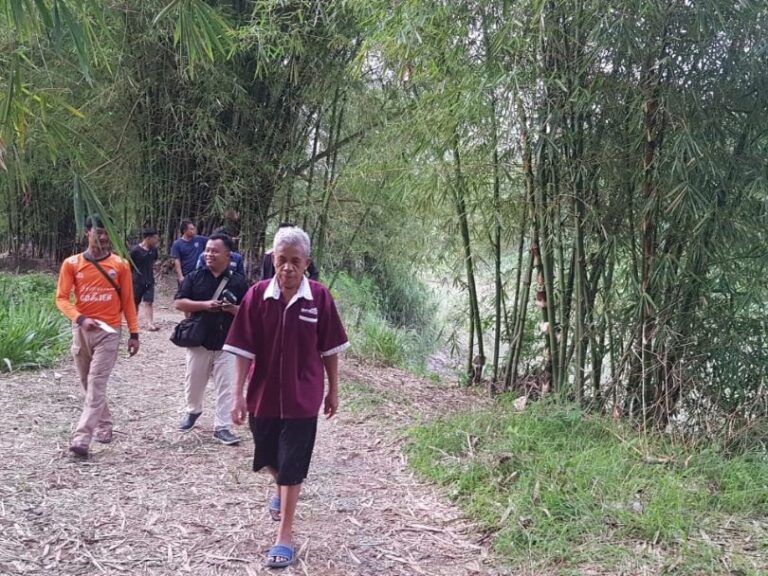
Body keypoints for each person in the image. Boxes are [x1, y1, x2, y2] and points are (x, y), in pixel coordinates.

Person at [225, 226, 349, 568]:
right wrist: (237, 395)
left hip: (302, 396)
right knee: (268, 456)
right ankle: (279, 488)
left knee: (293, 466)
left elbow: (330, 349)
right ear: (273, 260)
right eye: (282, 260)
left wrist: (333, 389)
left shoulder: (320, 298)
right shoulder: (256, 296)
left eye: (296, 261)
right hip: (263, 394)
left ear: (306, 263)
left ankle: (284, 536)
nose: (288, 268)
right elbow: (242, 349)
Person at [55, 214, 140, 457]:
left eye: (107, 234)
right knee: (86, 382)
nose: (103, 238)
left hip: (109, 332)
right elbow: (61, 298)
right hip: (82, 330)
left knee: (96, 382)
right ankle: (104, 423)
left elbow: (128, 303)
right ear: (87, 233)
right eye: (98, 232)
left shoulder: (120, 265)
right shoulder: (72, 264)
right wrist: (80, 318)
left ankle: (82, 438)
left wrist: (134, 333)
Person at [174, 232, 248, 445]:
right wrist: (205, 305)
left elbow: (250, 312)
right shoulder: (194, 277)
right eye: (207, 250)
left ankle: (222, 426)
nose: (209, 254)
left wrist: (231, 308)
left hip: (229, 342)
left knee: (227, 385)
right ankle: (193, 410)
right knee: (194, 382)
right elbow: (179, 303)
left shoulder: (239, 282)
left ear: (228, 255)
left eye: (215, 251)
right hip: (199, 340)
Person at [130, 226, 160, 331]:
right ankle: (133, 323)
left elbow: (154, 261)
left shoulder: (154, 250)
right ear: (148, 238)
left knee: (149, 302)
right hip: (137, 281)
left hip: (149, 280)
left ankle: (149, 323)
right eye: (155, 238)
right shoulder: (135, 250)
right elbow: (129, 266)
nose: (156, 240)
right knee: (135, 302)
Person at [171, 220, 208, 285]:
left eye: (194, 229)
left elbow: (212, 241)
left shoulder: (199, 239)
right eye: (191, 229)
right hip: (186, 275)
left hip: (199, 275)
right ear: (184, 231)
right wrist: (180, 276)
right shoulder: (177, 244)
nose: (193, 231)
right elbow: (177, 261)